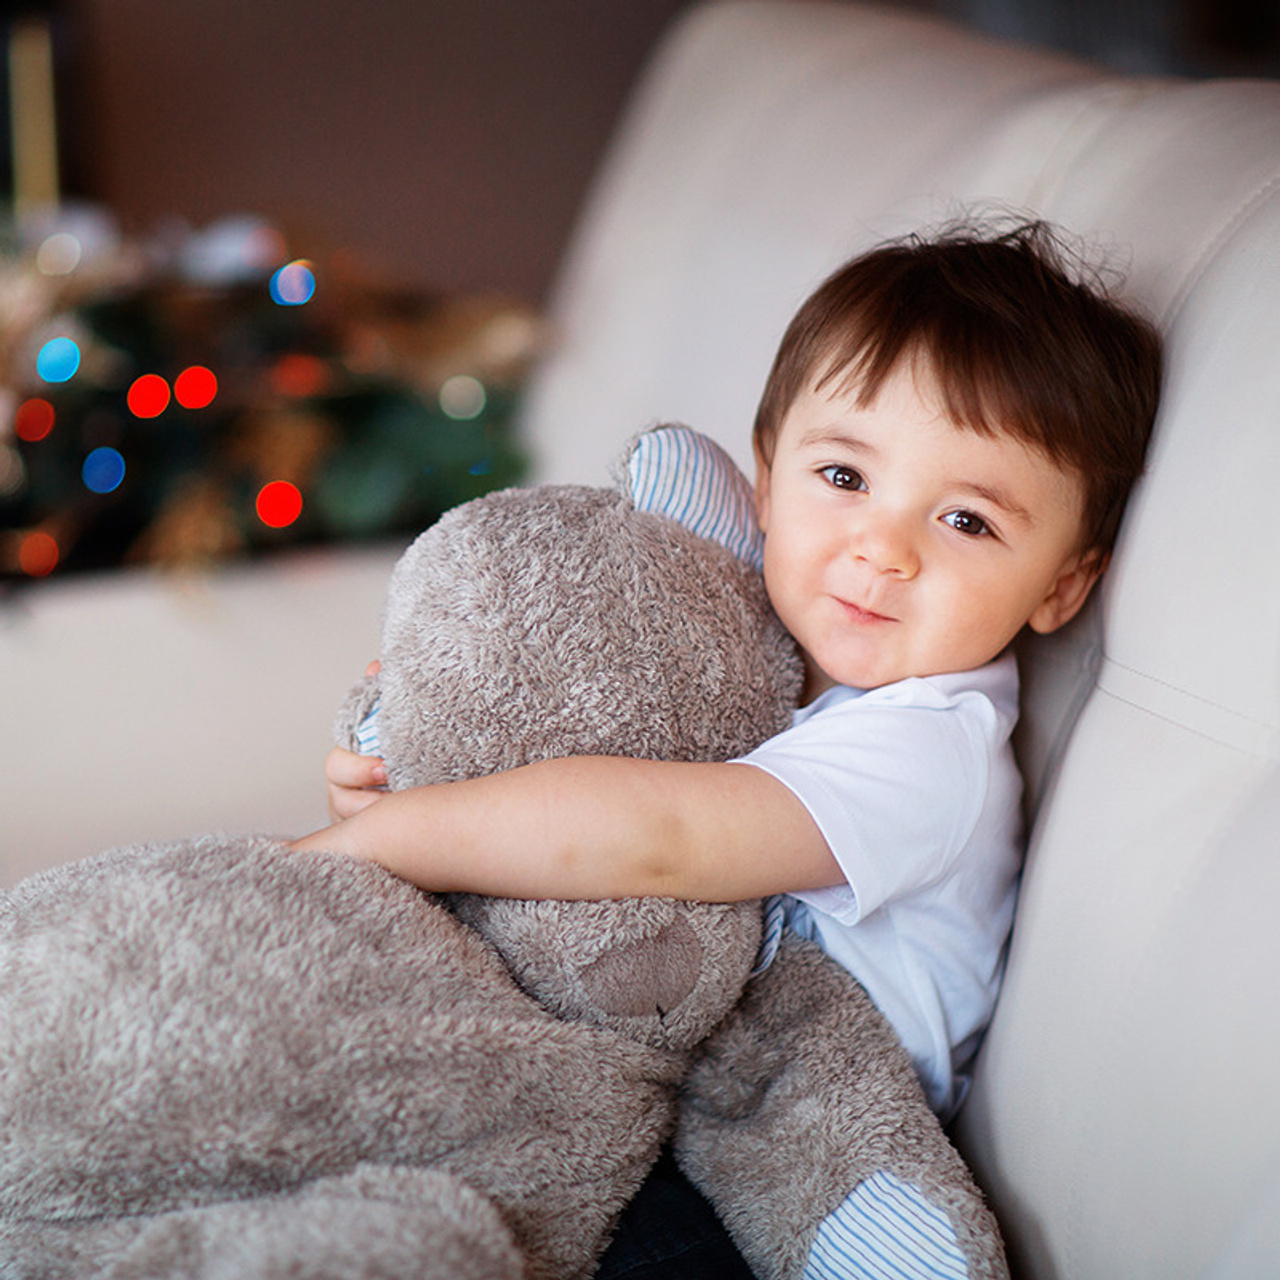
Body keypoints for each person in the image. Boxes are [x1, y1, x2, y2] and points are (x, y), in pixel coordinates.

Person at [291, 216, 1160, 1162]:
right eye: (843, 475)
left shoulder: (931, 749)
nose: (883, 548)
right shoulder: (727, 634)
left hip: (774, 1144)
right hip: (652, 1067)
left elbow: (659, 839)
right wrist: (412, 775)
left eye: (966, 519)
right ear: (764, 479)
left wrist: (382, 841)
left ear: (1063, 585)